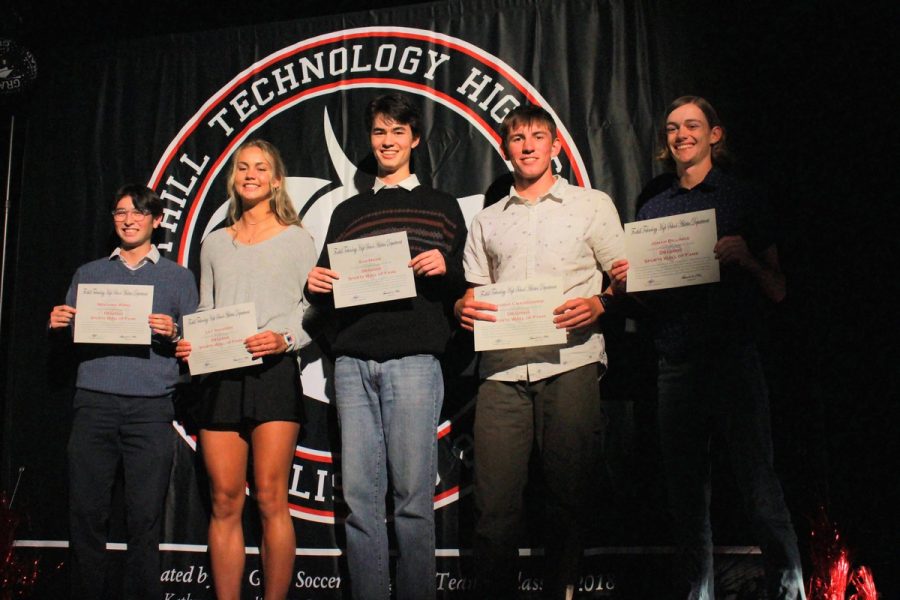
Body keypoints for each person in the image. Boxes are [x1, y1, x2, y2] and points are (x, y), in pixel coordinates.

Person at [455, 104, 629, 600]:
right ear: (506, 149)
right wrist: (461, 309)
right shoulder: (487, 221)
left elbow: (628, 275)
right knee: (493, 505)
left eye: (537, 137)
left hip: (570, 362)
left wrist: (601, 302)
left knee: (568, 497)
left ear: (555, 147)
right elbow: (473, 294)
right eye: (517, 138)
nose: (527, 145)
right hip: (501, 373)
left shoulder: (591, 205)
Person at [635, 96, 805, 600]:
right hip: (675, 364)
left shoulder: (742, 196)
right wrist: (629, 279)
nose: (680, 134)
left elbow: (779, 289)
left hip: (733, 359)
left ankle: (790, 587)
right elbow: (646, 297)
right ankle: (698, 592)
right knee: (686, 498)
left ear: (715, 134)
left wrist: (748, 260)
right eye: (672, 127)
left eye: (691, 125)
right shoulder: (653, 204)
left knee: (758, 487)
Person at [305, 93, 467, 600]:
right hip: (352, 364)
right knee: (358, 499)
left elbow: (471, 286)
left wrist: (450, 271)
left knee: (414, 499)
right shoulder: (348, 211)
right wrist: (315, 284)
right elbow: (327, 290)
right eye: (379, 132)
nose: (388, 141)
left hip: (416, 363)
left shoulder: (442, 207)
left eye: (398, 132)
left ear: (415, 140)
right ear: (370, 141)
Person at [175, 139, 316, 600]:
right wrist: (192, 343)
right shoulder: (214, 242)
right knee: (224, 500)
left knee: (273, 498)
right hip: (220, 376)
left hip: (272, 374)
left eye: (261, 168)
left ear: (276, 180)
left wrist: (285, 339)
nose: (250, 174)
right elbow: (206, 307)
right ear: (233, 177)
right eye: (242, 167)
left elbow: (313, 312)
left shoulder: (298, 239)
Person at [48, 184, 198, 600]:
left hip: (151, 409)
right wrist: (58, 324)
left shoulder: (178, 278)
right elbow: (70, 337)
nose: (128, 220)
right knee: (86, 515)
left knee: (145, 519)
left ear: (157, 220)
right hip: (94, 403)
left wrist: (176, 331)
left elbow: (196, 348)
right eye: (120, 213)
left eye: (138, 213)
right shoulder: (89, 273)